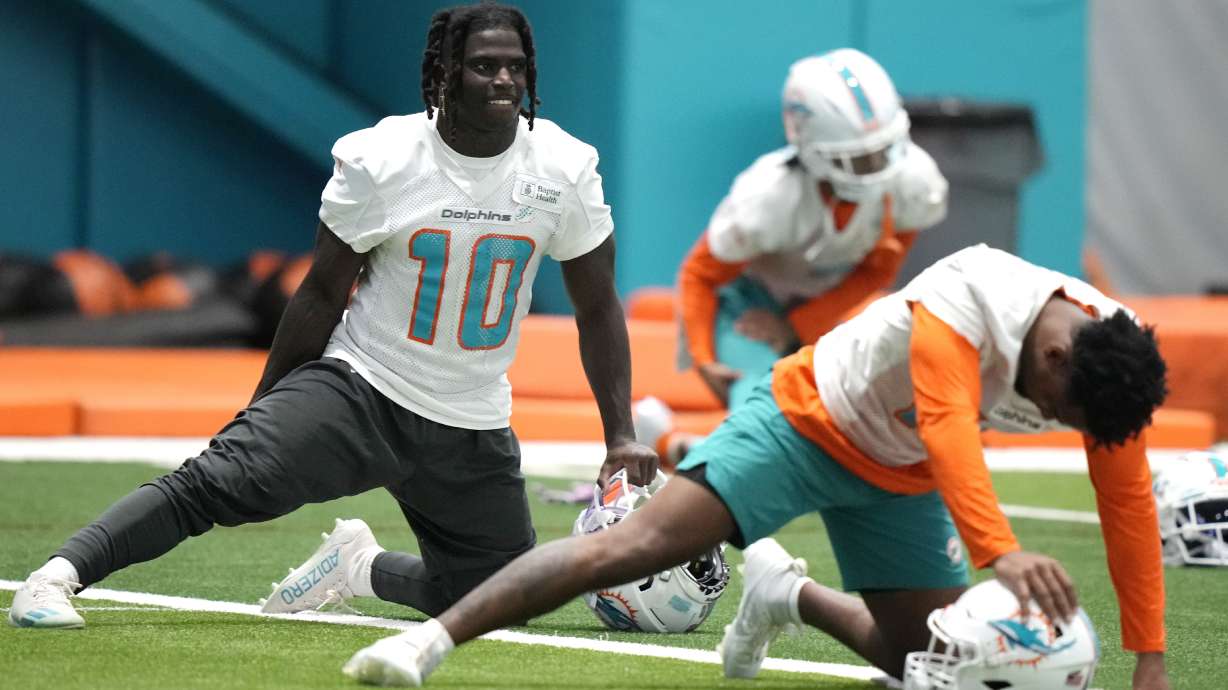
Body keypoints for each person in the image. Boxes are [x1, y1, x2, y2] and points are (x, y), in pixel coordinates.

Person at [8, 2, 655, 630]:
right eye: (485, 65)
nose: (505, 80)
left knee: (499, 595)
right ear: (445, 72)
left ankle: (357, 566)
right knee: (220, 479)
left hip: (472, 418)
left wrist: (620, 436)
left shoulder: (564, 167)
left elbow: (598, 306)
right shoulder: (387, 158)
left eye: (516, 65)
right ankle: (58, 575)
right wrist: (264, 404)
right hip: (366, 387)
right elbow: (321, 292)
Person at [341, 245, 1171, 690]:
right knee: (633, 549)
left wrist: (1151, 660)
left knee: (922, 658)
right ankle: (427, 642)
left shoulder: (1110, 362)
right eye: (1060, 414)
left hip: (903, 471)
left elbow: (1129, 502)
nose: (1058, 426)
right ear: (1053, 356)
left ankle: (784, 594)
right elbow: (950, 423)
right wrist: (1000, 552)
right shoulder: (972, 293)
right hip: (806, 422)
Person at [677, 48, 947, 412]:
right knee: (763, 406)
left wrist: (798, 325)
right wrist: (703, 357)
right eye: (856, 159)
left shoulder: (913, 180)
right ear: (813, 151)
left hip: (832, 304)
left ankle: (673, 439)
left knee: (885, 404)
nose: (876, 169)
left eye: (884, 151)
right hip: (751, 305)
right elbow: (701, 274)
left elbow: (878, 271)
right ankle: (671, 436)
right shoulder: (770, 196)